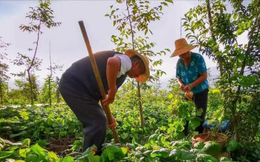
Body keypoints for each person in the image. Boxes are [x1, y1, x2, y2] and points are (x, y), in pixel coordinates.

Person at [59, 49, 149, 154]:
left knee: (100, 120)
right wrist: (112, 88)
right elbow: (112, 62)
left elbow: (103, 96)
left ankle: (92, 155)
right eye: (140, 72)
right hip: (75, 85)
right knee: (97, 122)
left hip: (80, 88)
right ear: (136, 64)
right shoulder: (126, 61)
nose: (137, 77)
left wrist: (109, 117)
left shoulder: (121, 71)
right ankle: (90, 158)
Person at [171, 38, 209, 135]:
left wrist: (191, 85)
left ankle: (199, 137)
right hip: (186, 92)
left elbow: (204, 76)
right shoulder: (179, 62)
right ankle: (184, 135)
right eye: (180, 54)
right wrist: (182, 85)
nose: (182, 56)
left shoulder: (198, 58)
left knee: (199, 114)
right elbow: (178, 77)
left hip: (200, 90)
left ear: (188, 50)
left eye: (183, 53)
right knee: (184, 113)